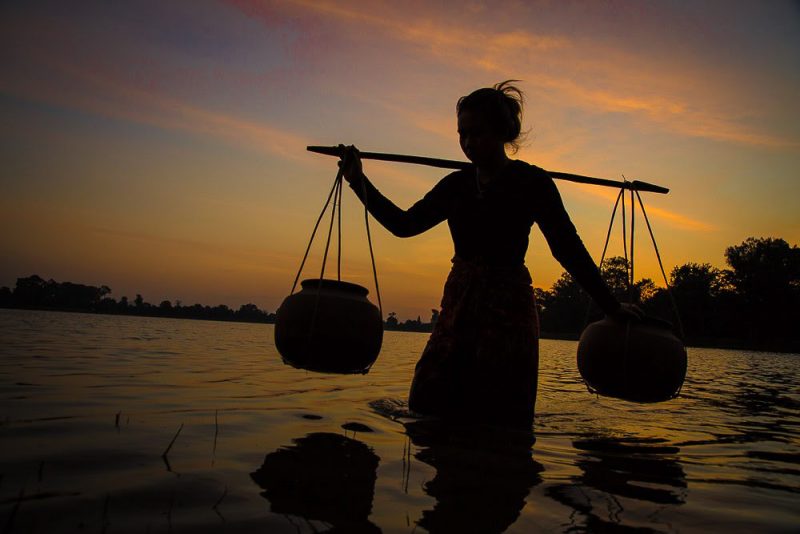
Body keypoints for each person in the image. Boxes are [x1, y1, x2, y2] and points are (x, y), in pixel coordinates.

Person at [339, 81, 637, 427]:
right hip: (459, 306)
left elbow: (567, 248)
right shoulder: (456, 185)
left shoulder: (532, 183)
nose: (467, 143)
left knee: (501, 413)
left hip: (507, 310)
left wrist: (611, 307)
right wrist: (357, 181)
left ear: (502, 132)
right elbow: (404, 225)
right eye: (461, 134)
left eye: (476, 133)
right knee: (427, 403)